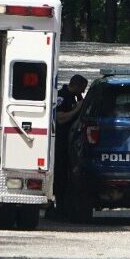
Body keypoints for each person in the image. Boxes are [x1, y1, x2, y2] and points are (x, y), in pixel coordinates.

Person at [52, 74, 88, 218]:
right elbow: (60, 119)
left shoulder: (75, 97)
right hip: (60, 143)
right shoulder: (62, 96)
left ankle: (64, 207)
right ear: (76, 85)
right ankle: (56, 208)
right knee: (60, 176)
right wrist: (77, 110)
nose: (82, 93)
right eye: (82, 89)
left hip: (71, 144)